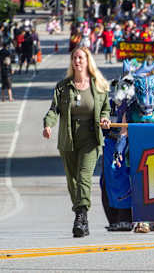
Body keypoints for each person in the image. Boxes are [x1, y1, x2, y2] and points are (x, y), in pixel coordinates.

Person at [42, 46, 111, 237]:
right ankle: (82, 216)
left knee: (83, 177)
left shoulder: (98, 85)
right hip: (68, 138)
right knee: (72, 181)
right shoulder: (63, 86)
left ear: (88, 61)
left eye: (81, 58)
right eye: (74, 58)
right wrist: (48, 125)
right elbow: (54, 110)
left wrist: (105, 119)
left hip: (90, 138)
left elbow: (106, 108)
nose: (77, 61)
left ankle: (80, 216)